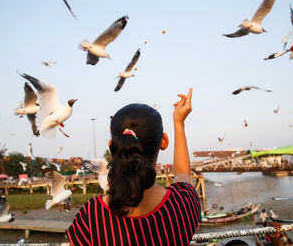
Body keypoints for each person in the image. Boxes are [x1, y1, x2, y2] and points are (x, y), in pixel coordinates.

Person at [67, 88, 200, 245]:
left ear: (112, 146)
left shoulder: (92, 216)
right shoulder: (183, 204)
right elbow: (183, 173)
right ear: (163, 142)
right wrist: (179, 123)